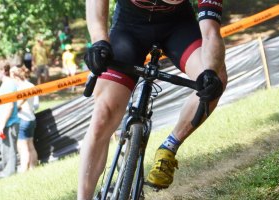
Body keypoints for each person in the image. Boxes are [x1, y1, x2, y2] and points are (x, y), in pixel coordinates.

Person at [78, 0, 227, 199]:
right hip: (129, 26)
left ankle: (170, 146)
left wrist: (209, 71)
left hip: (178, 26)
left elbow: (210, 33)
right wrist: (99, 41)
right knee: (103, 115)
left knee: (216, 79)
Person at [11, 66, 39, 172]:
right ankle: (33, 168)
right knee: (30, 145)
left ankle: (23, 170)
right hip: (31, 118)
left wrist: (15, 108)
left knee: (23, 147)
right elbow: (36, 104)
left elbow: (20, 103)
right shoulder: (31, 85)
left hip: (23, 118)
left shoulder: (21, 87)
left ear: (15, 76)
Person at [0, 64, 20, 177]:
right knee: (5, 151)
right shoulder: (5, 84)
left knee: (10, 151)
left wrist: (2, 125)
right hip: (5, 124)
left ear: (3, 70)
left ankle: (10, 175)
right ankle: (7, 173)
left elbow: (9, 106)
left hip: (9, 124)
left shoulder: (9, 84)